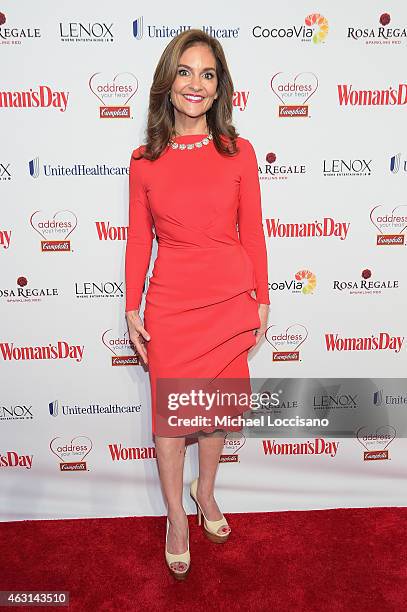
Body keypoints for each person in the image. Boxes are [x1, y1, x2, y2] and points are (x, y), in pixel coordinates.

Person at [124, 29, 270, 580]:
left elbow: (252, 233)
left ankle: (205, 492)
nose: (196, 83)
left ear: (218, 88)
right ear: (169, 81)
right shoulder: (144, 160)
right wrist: (132, 307)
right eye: (185, 71)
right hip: (171, 307)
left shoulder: (239, 151)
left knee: (216, 413)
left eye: (208, 74)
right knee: (170, 420)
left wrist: (261, 298)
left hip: (230, 299)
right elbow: (140, 239)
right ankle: (176, 519)